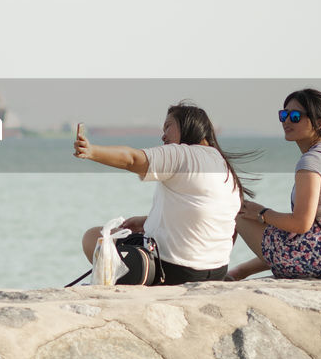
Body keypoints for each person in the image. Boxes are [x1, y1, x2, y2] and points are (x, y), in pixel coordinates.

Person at [75, 102, 248, 284]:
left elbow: (132, 159)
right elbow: (213, 217)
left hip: (172, 271)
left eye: (168, 127)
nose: (163, 136)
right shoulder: (224, 166)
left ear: (187, 125)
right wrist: (147, 220)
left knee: (94, 237)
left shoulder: (182, 154)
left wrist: (91, 151)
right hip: (217, 271)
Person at [227, 88, 321, 280]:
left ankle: (212, 270)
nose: (287, 121)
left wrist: (262, 214)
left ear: (318, 123)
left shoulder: (312, 162)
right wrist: (264, 214)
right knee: (276, 230)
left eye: (295, 116)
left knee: (235, 209)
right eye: (284, 114)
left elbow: (301, 223)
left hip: (314, 261)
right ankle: (238, 271)